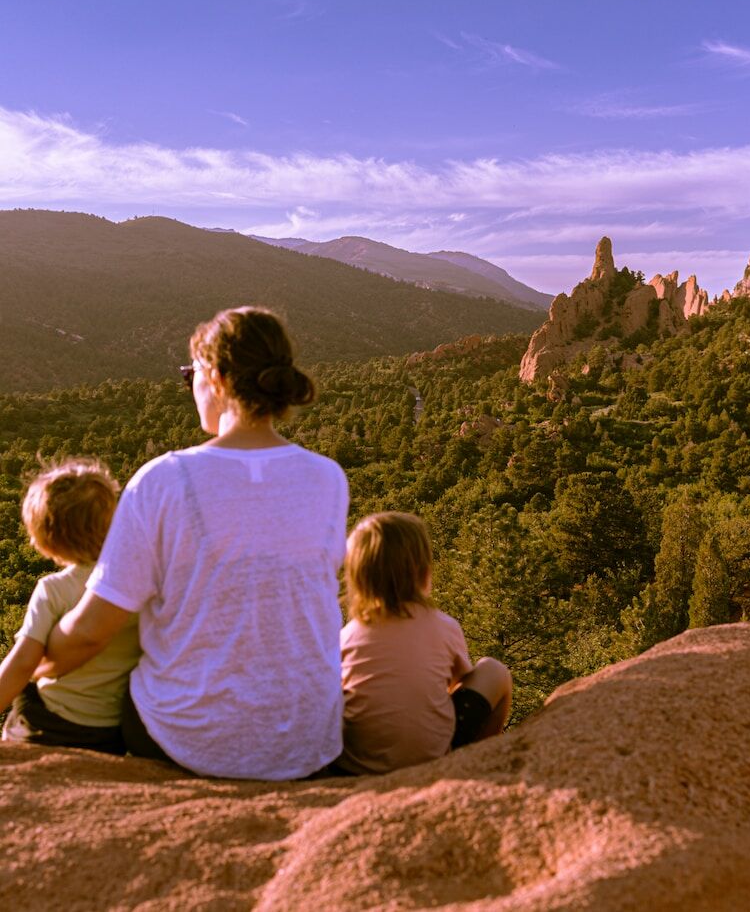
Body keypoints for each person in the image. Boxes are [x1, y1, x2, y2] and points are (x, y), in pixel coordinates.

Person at [42, 307, 349, 780]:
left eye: (191, 375)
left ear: (219, 379)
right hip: (309, 738)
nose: (190, 388)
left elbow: (92, 630)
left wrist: (36, 660)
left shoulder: (164, 479)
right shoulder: (328, 478)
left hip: (187, 738)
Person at [336, 511, 512, 775]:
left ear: (357, 580)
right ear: (424, 572)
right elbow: (456, 684)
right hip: (431, 760)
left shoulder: (348, 636)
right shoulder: (444, 626)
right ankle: (478, 758)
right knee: (494, 671)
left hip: (357, 768)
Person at [0, 459, 140, 754]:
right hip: (110, 730)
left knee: (26, 691)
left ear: (44, 541)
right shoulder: (140, 583)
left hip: (51, 722)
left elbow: (22, 664)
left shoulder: (53, 590)